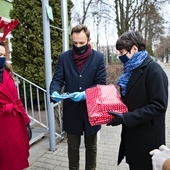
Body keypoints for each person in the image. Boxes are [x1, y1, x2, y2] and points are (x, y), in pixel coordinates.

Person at [107, 30, 168, 170]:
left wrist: (125, 118)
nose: (120, 56)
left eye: (122, 52)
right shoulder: (131, 70)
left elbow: (159, 106)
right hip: (133, 139)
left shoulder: (154, 71)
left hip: (148, 142)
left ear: (134, 48)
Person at [50, 24, 106, 170]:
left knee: (91, 147)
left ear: (89, 40)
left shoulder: (98, 58)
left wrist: (85, 94)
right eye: (75, 43)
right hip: (72, 111)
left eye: (81, 43)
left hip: (91, 111)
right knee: (72, 147)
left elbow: (100, 84)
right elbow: (57, 80)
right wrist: (54, 92)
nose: (78, 46)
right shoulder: (64, 57)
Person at [0, 41, 32, 170]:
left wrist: (26, 121)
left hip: (14, 123)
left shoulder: (8, 73)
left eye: (3, 54)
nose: (1, 57)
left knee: (15, 162)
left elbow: (16, 100)